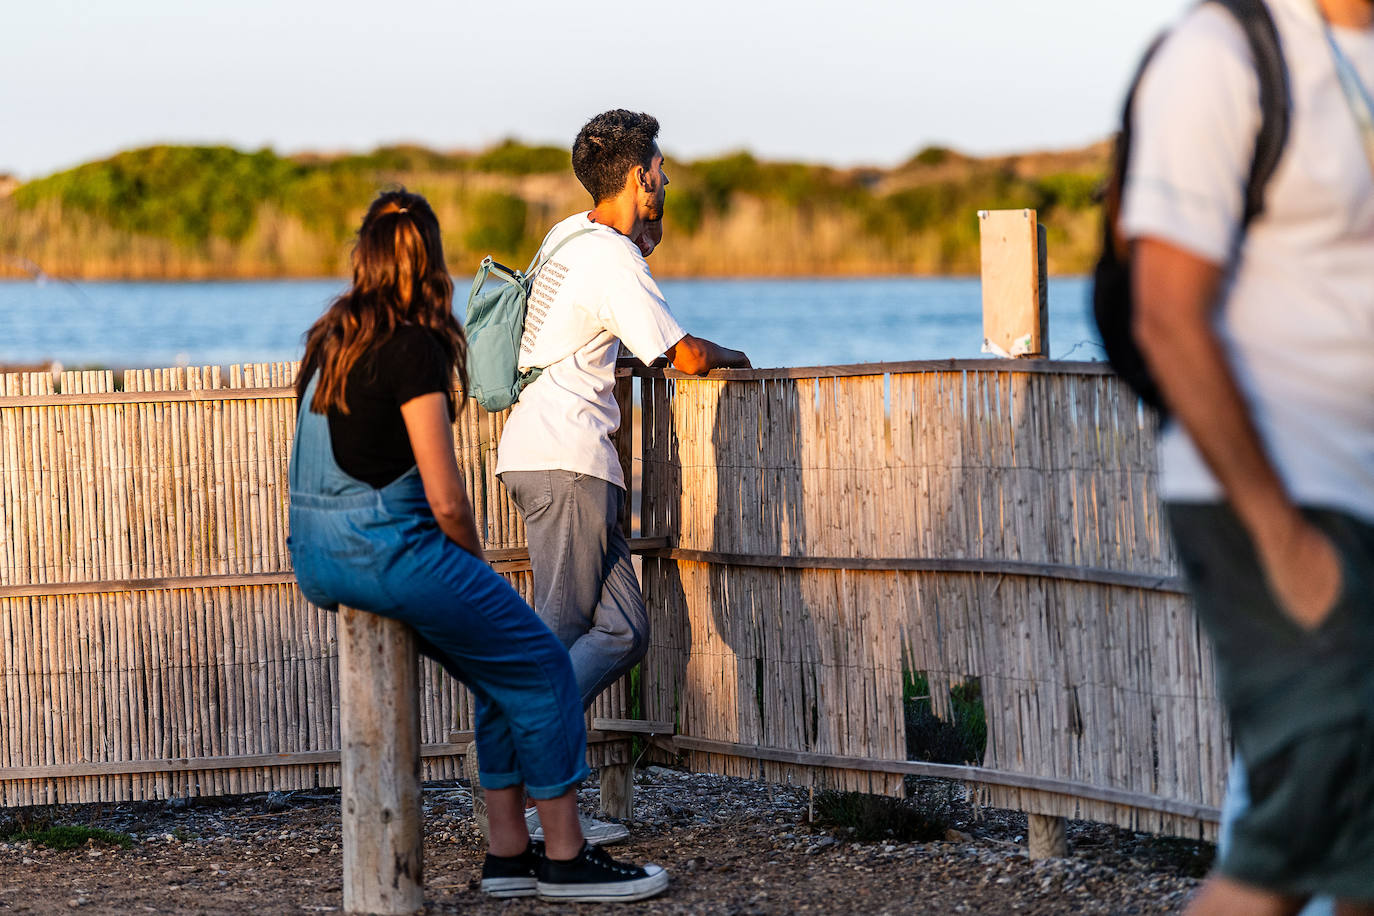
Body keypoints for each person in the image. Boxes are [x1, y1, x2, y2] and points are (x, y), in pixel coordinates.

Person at [287, 189, 668, 903]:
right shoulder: (415, 345)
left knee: (505, 670)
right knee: (544, 664)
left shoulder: (331, 337)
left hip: (314, 552)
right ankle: (564, 857)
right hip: (389, 550)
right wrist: (474, 564)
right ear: (431, 258)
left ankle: (507, 858)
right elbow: (444, 495)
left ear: (362, 254)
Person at [1122, 0, 1374, 912]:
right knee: (1299, 822)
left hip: (1362, 495)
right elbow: (1166, 312)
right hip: (1276, 496)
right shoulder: (1224, 52)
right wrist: (1282, 537)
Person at [495, 109, 751, 845]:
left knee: (624, 629)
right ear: (640, 177)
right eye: (661, 171)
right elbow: (685, 356)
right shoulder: (612, 259)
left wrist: (646, 243)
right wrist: (736, 355)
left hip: (558, 455)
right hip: (566, 459)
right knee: (560, 635)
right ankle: (531, 807)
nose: (666, 181)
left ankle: (536, 778)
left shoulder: (566, 238)